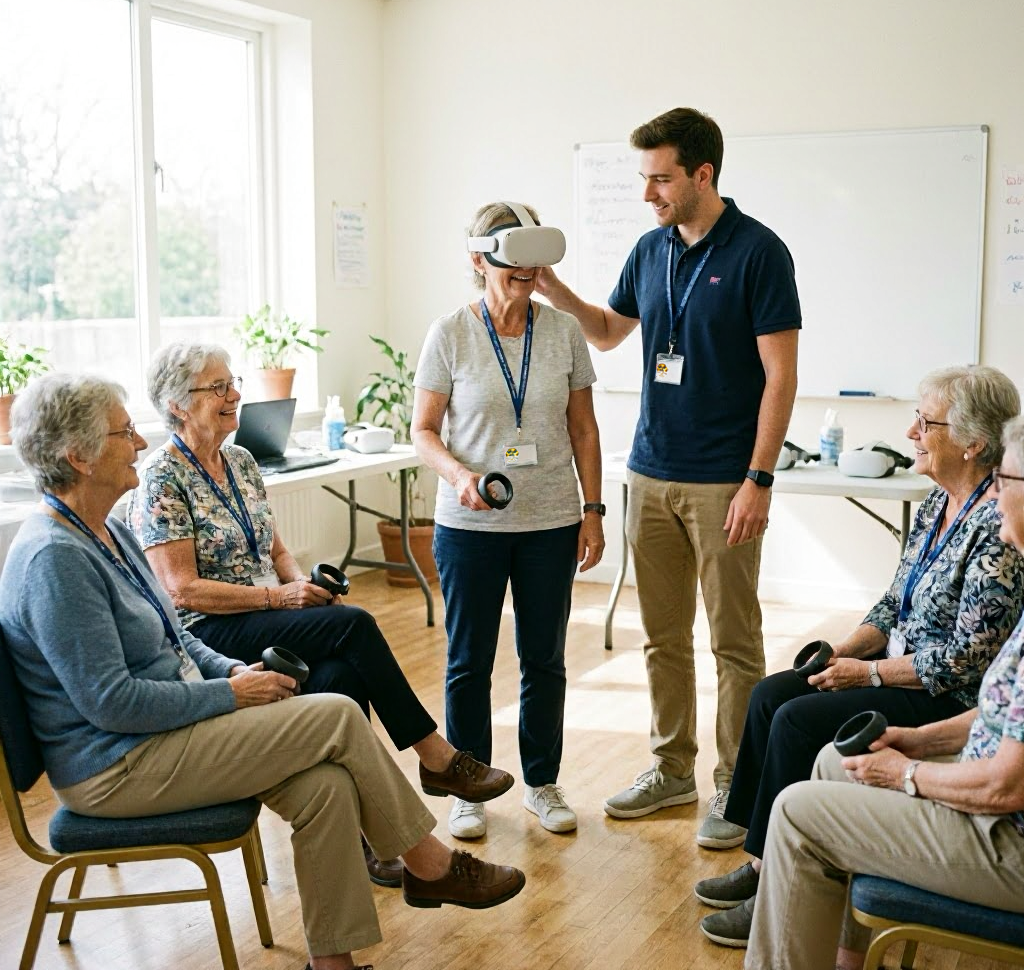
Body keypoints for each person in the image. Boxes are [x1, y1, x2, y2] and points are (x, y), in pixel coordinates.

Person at [0, 373, 526, 970]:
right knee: (338, 714)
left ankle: (333, 963)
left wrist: (236, 672)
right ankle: (429, 865)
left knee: (324, 789)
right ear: (79, 457)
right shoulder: (55, 560)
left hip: (162, 733)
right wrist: (230, 694)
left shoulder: (109, 531)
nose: (140, 445)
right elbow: (112, 704)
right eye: (124, 433)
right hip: (116, 766)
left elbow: (176, 641)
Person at [127, 342, 514, 887]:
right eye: (217, 388)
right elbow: (183, 590)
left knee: (339, 678)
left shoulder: (239, 461)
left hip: (266, 611)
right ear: (176, 406)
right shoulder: (161, 479)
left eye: (231, 381)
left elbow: (275, 551)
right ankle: (434, 756)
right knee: (353, 624)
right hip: (211, 635)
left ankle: (368, 840)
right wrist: (281, 600)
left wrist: (300, 584)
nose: (235, 394)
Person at [535, 107, 801, 846]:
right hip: (649, 473)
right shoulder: (651, 250)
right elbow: (610, 332)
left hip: (724, 481)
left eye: (660, 179)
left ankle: (735, 785)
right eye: (645, 178)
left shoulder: (759, 253)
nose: (649, 194)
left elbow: (782, 377)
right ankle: (671, 770)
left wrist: (760, 478)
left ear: (702, 174)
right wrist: (553, 288)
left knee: (734, 642)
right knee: (661, 638)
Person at [696, 365, 1024, 948]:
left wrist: (866, 673)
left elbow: (965, 663)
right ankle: (760, 858)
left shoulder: (994, 534)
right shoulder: (933, 507)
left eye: (926, 422)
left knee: (799, 719)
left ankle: (774, 873)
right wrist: (844, 651)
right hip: (898, 669)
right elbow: (892, 600)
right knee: (776, 691)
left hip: (938, 693)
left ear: (974, 443)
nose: (911, 432)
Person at [410, 201, 604, 840]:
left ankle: (542, 782)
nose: (526, 272)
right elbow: (423, 431)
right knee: (469, 658)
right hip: (470, 527)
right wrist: (460, 476)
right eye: (512, 259)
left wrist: (593, 510)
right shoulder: (450, 333)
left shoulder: (564, 333)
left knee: (543, 657)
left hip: (550, 521)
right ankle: (469, 784)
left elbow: (583, 427)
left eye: (534, 261)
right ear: (479, 259)